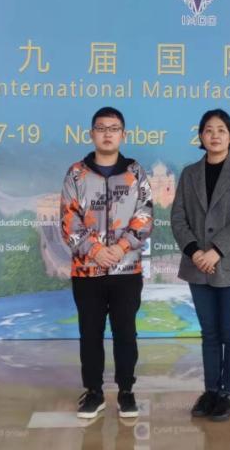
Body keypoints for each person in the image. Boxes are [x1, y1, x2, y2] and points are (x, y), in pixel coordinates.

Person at [60, 106, 153, 419]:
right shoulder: (76, 173)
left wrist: (122, 246)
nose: (107, 134)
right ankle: (94, 392)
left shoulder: (136, 172)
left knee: (126, 333)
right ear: (92, 134)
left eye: (114, 129)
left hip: (127, 270)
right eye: (101, 128)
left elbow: (145, 215)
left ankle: (126, 391)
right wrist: (95, 250)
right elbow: (68, 219)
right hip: (87, 271)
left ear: (123, 135)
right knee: (90, 333)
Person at [170, 108, 230, 422]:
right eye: (209, 130)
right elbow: (178, 218)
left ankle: (228, 394)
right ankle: (210, 390)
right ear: (201, 136)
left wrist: (216, 250)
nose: (215, 135)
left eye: (221, 130)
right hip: (197, 265)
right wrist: (195, 251)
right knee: (209, 332)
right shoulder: (189, 174)